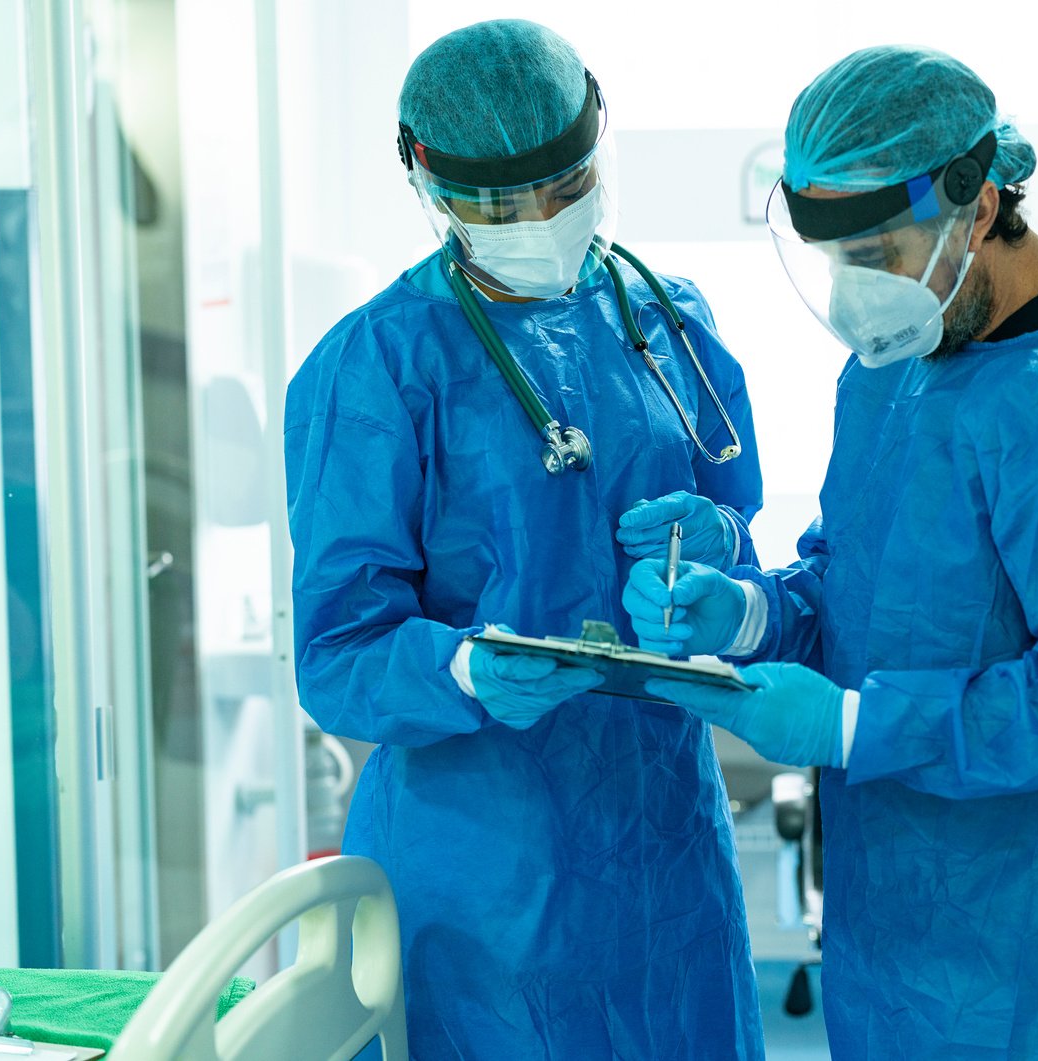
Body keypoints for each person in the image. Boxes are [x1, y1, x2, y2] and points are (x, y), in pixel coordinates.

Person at [623, 45, 1038, 1060]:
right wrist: (752, 612)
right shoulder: (899, 367)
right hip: (900, 951)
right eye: (837, 262)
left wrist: (858, 724)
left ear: (980, 204)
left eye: (881, 255)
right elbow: (858, 588)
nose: (859, 294)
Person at [285, 20, 765, 1058]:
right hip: (478, 873)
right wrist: (459, 665)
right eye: (499, 205)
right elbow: (336, 651)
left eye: (563, 185)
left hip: (664, 851)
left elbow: (742, 531)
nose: (541, 220)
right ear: (424, 180)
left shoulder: (666, 321)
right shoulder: (374, 369)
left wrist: (717, 556)